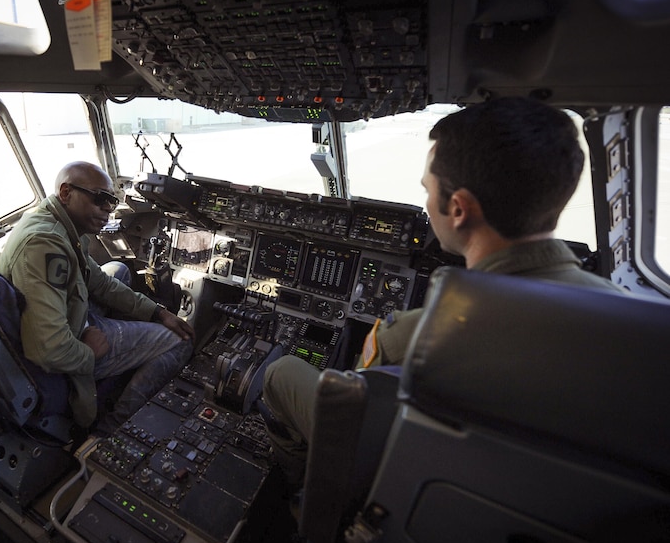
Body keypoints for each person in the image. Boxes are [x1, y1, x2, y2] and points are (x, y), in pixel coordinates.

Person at [261, 96, 624, 489]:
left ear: (458, 209)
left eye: (428, 190)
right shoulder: (635, 325)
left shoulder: (408, 338)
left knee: (280, 372)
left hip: (408, 489)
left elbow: (355, 418)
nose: (426, 205)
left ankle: (297, 491)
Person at [0, 161, 194, 432]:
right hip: (59, 348)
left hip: (62, 315)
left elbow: (99, 282)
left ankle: (125, 341)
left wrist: (157, 312)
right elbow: (48, 349)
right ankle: (110, 429)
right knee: (178, 341)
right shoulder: (44, 245)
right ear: (66, 193)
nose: (108, 210)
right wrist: (90, 352)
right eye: (100, 199)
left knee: (118, 270)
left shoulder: (57, 223)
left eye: (112, 202)